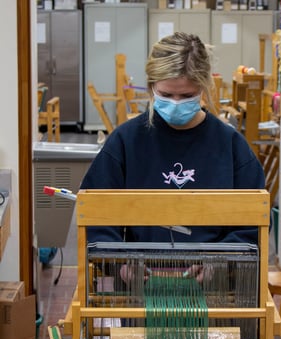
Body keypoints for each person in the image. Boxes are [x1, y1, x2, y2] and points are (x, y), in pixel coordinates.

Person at [80, 32, 265, 283]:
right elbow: (95, 217)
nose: (176, 103)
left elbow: (253, 226)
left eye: (187, 96)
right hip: (142, 291)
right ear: (151, 87)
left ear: (204, 87)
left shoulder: (231, 148)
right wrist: (121, 264)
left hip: (213, 294)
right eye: (166, 95)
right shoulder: (125, 143)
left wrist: (219, 262)